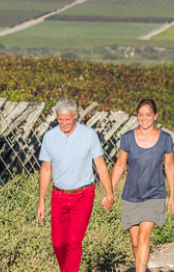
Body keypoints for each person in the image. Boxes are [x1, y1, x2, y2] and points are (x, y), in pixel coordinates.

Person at [37, 97, 115, 272]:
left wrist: (109, 194)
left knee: (73, 240)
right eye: (60, 119)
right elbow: (46, 170)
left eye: (68, 119)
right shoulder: (50, 137)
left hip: (83, 195)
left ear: (76, 116)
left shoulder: (89, 135)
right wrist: (41, 201)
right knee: (58, 244)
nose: (64, 123)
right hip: (58, 195)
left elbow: (101, 166)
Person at [110, 98, 174, 272]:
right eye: (140, 115)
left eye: (148, 114)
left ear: (155, 116)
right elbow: (119, 166)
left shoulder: (165, 139)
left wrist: (172, 196)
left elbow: (169, 167)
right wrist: (109, 192)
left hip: (155, 194)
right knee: (135, 242)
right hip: (131, 195)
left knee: (143, 237)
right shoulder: (127, 138)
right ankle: (142, 267)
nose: (144, 118)